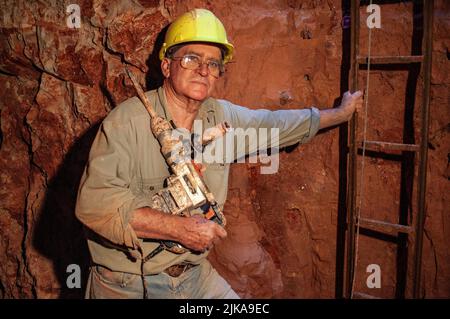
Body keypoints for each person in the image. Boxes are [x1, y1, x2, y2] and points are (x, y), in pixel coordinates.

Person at [75, 8, 363, 299]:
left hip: (193, 278)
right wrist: (179, 229)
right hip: (129, 284)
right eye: (191, 59)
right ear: (166, 65)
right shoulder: (127, 123)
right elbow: (94, 205)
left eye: (213, 64)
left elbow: (275, 124)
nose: (203, 70)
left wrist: (339, 113)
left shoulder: (219, 117)